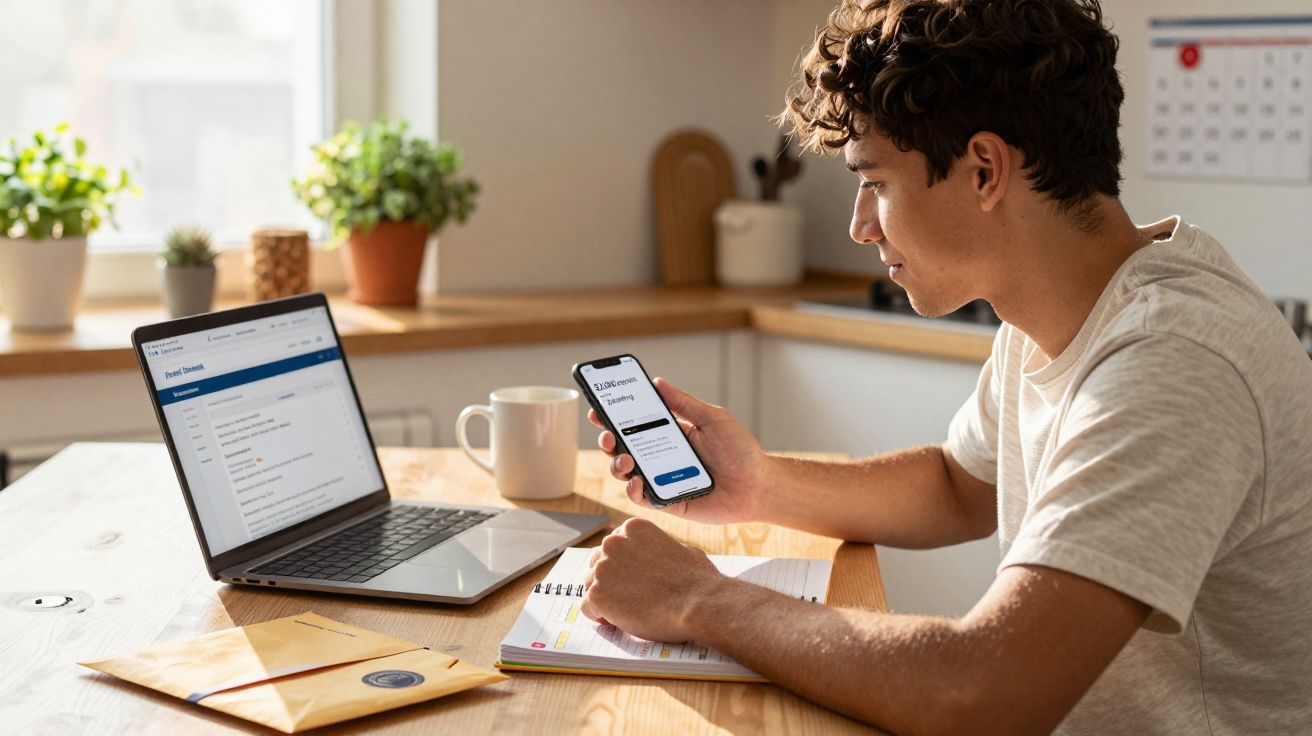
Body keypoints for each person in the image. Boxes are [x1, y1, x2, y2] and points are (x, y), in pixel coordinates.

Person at [579, 0, 1312, 733]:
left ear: (985, 170)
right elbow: (958, 486)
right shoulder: (1053, 311)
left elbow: (983, 692)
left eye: (876, 183)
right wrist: (760, 483)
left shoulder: (1174, 360)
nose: (859, 226)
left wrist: (698, 599)